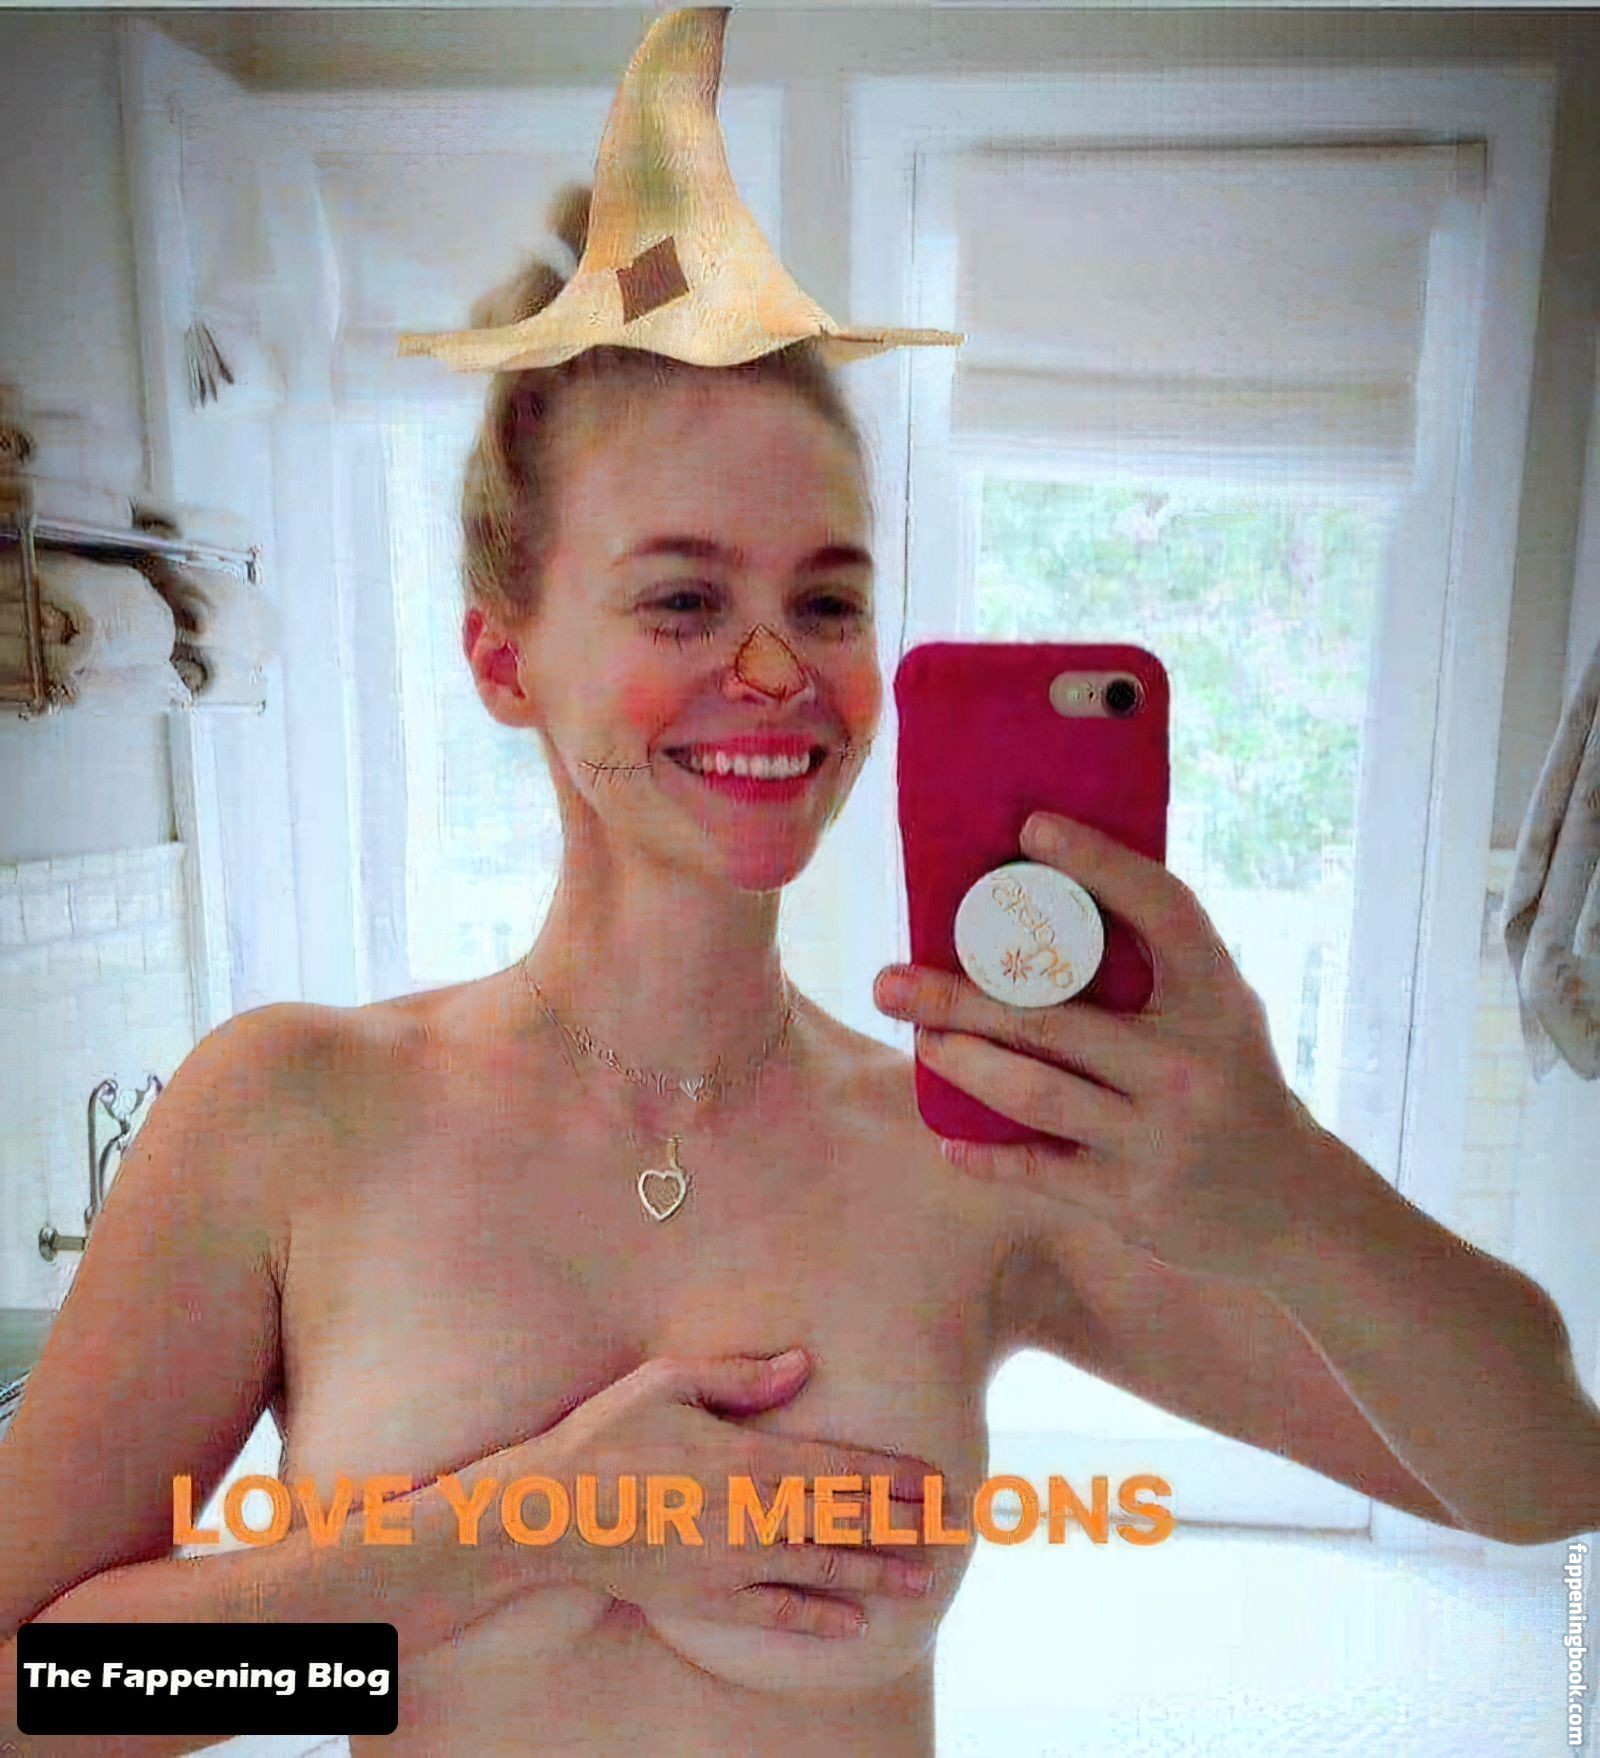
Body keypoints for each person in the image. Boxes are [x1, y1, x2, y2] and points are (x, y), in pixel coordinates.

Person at [3, 181, 1598, 1756]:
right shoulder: (294, 1114)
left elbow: (1543, 1481)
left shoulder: (972, 1148)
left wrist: (1292, 1188)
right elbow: (39, 1701)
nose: (776, 671)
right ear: (503, 656)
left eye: (826, 600)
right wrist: (513, 1532)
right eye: (684, 599)